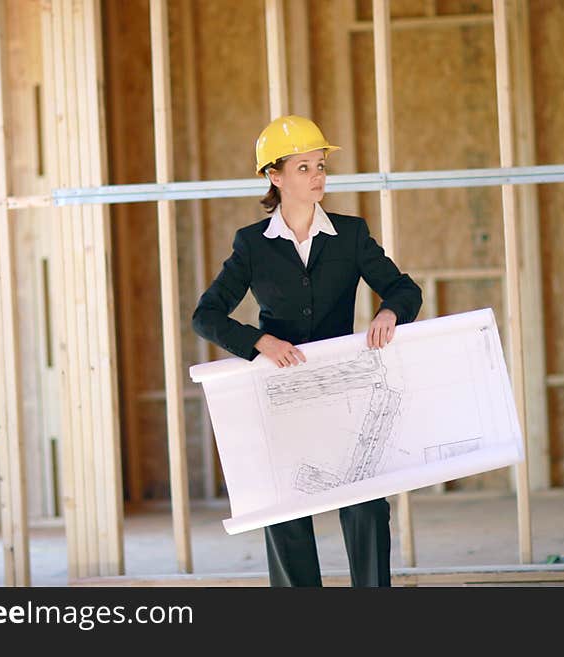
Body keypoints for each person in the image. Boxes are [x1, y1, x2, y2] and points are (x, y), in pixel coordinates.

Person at [191, 115, 422, 587]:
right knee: (288, 511)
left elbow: (403, 289)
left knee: (365, 503)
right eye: (304, 167)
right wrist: (258, 341)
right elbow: (206, 315)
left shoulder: (351, 235)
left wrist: (388, 313)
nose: (317, 176)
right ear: (274, 177)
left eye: (320, 165)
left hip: (346, 390)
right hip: (282, 395)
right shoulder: (252, 245)